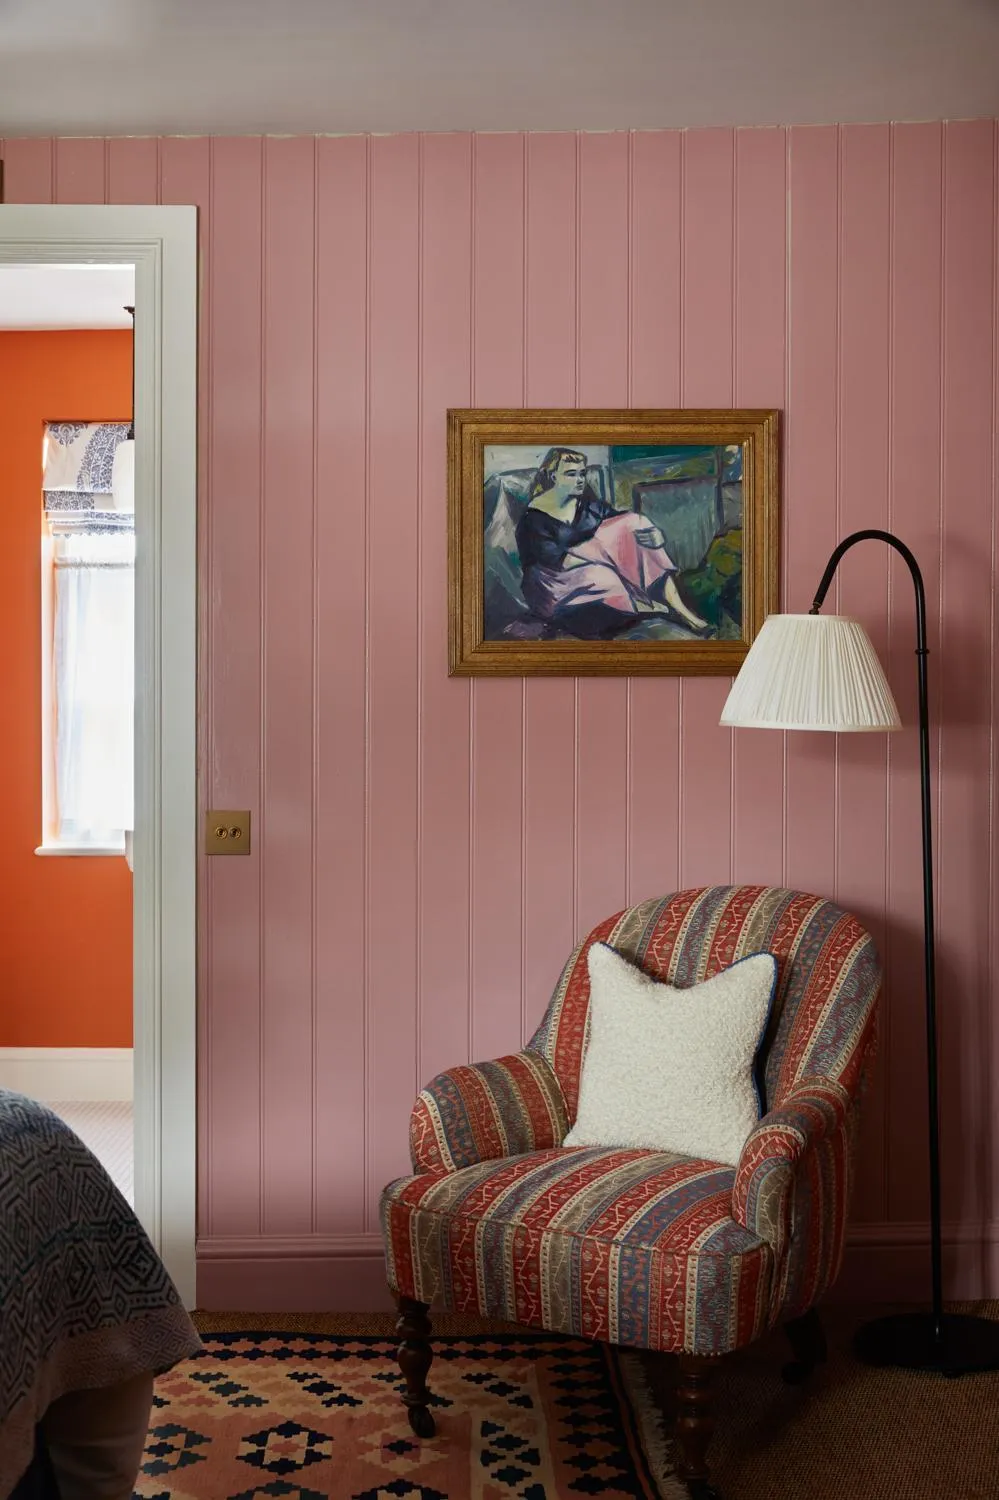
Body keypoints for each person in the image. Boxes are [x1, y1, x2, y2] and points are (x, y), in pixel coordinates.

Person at [514, 447, 710, 640]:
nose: (580, 480)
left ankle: (682, 611)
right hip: (554, 585)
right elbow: (556, 561)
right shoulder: (533, 518)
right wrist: (611, 561)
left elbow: (620, 524)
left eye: (582, 473)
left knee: (636, 524)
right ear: (553, 477)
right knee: (602, 575)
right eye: (571, 474)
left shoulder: (587, 504)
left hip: (595, 569)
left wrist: (656, 536)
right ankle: (644, 604)